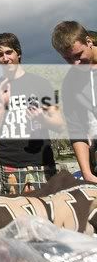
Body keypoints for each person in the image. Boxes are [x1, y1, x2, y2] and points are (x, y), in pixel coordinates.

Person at [0, 32, 64, 195]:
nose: (5, 58)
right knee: (17, 217)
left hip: (41, 161)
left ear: (18, 52)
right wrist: (2, 106)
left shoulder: (40, 84)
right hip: (9, 164)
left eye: (8, 52)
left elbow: (59, 124)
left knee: (47, 214)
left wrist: (42, 119)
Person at [51, 21, 97, 183]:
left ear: (89, 42)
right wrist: (87, 174)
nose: (75, 63)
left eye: (78, 55)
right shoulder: (70, 83)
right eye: (68, 59)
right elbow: (76, 129)